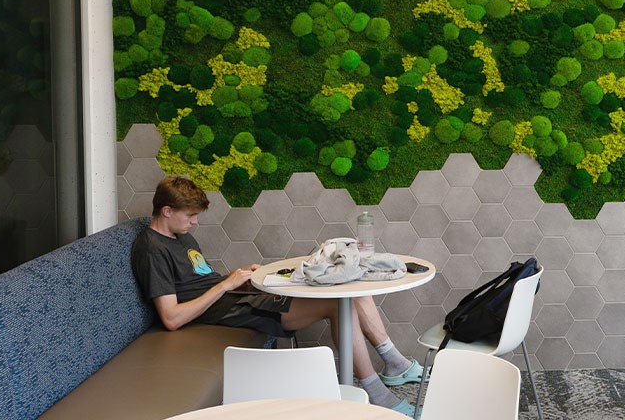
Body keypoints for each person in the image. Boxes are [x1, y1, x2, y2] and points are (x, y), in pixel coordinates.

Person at [131, 176, 422, 416]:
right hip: (230, 310)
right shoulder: (153, 249)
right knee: (338, 303)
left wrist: (240, 278)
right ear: (166, 211)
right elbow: (171, 318)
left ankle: (395, 363)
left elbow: (199, 280)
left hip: (237, 296)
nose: (195, 222)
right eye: (190, 216)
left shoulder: (180, 236)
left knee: (349, 285)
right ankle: (376, 393)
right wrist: (226, 285)